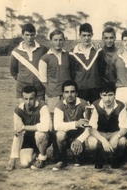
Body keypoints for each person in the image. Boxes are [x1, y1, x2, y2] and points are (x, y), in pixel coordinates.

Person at [38, 30, 72, 161]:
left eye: (61, 39)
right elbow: (43, 79)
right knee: (54, 125)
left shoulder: (68, 55)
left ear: (64, 40)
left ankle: (66, 152)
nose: (58, 42)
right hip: (53, 96)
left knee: (67, 122)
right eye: (55, 40)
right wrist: (52, 91)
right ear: (50, 41)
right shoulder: (45, 58)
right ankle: (56, 154)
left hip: (67, 95)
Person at [7, 86, 51, 170]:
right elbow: (18, 133)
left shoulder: (42, 106)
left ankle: (42, 157)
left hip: (44, 136)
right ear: (22, 98)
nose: (28, 102)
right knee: (25, 163)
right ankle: (37, 152)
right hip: (29, 138)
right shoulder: (18, 110)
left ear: (36, 98)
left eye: (31, 99)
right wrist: (13, 158)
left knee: (40, 134)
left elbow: (46, 127)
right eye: (25, 99)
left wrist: (24, 127)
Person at [88, 83, 127, 169]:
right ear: (100, 95)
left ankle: (116, 158)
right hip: (101, 133)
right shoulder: (95, 105)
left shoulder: (121, 105)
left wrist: (116, 137)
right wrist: (103, 140)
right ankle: (99, 158)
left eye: (110, 95)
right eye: (104, 95)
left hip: (114, 133)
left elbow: (124, 127)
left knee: (122, 141)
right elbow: (92, 128)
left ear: (114, 95)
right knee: (92, 142)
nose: (107, 99)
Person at [52, 80, 90, 171]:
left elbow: (88, 126)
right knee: (60, 134)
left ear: (77, 93)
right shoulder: (59, 105)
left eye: (72, 92)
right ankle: (62, 159)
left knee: (78, 162)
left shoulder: (84, 104)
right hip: (66, 135)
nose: (69, 95)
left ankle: (77, 156)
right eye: (67, 92)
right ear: (63, 94)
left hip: (79, 136)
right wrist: (76, 124)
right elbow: (57, 126)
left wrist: (79, 140)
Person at [10, 23, 48, 102]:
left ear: (35, 35)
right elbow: (13, 71)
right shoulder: (16, 52)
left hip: (39, 88)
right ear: (22, 35)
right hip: (22, 88)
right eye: (27, 35)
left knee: (40, 111)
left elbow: (48, 66)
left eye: (31, 35)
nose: (29, 38)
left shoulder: (43, 49)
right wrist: (24, 79)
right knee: (23, 112)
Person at [69, 23, 102, 104]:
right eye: (84, 35)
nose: (86, 38)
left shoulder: (98, 51)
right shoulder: (72, 53)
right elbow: (72, 73)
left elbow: (101, 70)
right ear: (79, 35)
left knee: (95, 113)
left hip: (95, 88)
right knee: (80, 113)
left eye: (88, 35)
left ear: (92, 35)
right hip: (80, 89)